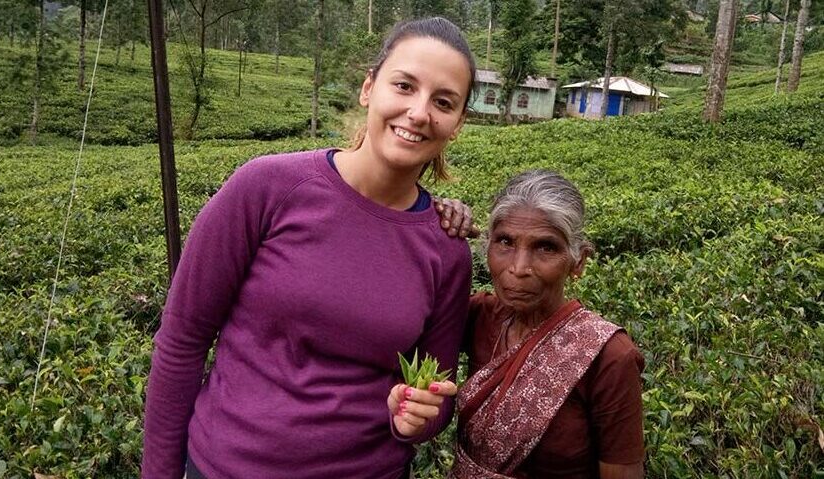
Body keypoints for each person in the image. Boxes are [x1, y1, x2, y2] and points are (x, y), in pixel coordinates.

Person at [142, 17, 478, 479]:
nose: (419, 112)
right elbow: (183, 341)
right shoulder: (266, 188)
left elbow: (434, 398)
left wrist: (416, 417)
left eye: (443, 102)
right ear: (368, 89)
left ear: (457, 124)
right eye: (404, 86)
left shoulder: (447, 250)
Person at [452, 170, 645, 479]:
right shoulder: (477, 315)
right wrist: (435, 212)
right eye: (505, 242)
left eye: (546, 247)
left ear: (578, 261)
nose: (518, 268)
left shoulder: (609, 356)